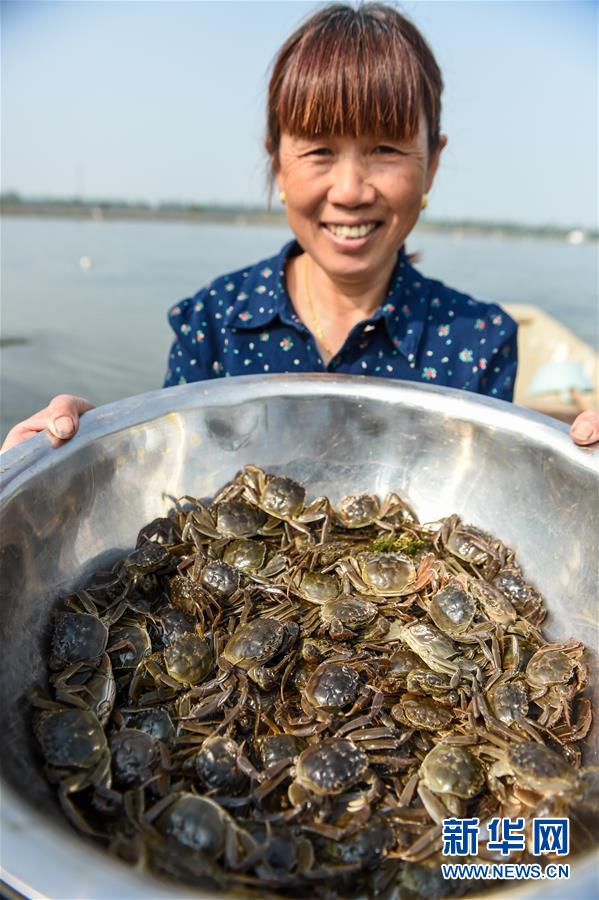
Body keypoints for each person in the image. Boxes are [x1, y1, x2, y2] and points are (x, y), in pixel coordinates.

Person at [1, 3, 597, 453]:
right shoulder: (215, 323)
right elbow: (170, 483)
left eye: (386, 148)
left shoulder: (477, 340)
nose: (349, 190)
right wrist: (86, 441)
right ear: (277, 160)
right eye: (318, 151)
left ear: (432, 163)